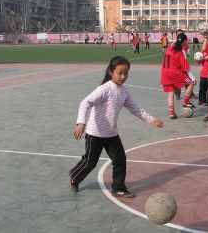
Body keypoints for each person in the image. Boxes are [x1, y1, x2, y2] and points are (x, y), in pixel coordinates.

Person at [68, 56, 164, 197]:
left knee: (120, 159)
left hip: (111, 133)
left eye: (126, 73)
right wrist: (81, 123)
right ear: (110, 72)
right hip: (95, 133)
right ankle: (74, 177)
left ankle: (118, 187)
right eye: (120, 73)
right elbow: (85, 103)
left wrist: (152, 120)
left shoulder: (124, 92)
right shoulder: (104, 89)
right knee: (90, 162)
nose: (123, 76)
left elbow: (136, 109)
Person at [161, 33, 196, 119]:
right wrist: (193, 78)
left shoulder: (171, 47)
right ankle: (186, 101)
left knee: (171, 92)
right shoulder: (181, 52)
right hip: (174, 73)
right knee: (191, 82)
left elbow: (174, 44)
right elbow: (186, 68)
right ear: (184, 42)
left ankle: (172, 114)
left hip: (165, 72)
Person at [173, 29, 196, 100]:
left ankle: (190, 94)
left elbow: (188, 53)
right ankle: (178, 94)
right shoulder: (173, 44)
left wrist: (184, 55)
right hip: (177, 68)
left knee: (188, 81)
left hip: (184, 65)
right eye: (178, 34)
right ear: (176, 36)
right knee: (177, 82)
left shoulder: (185, 44)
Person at [197, 32, 208, 106]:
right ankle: (201, 100)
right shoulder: (204, 49)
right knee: (202, 87)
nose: (207, 40)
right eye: (205, 39)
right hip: (204, 72)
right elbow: (202, 55)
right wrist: (198, 60)